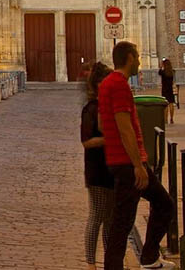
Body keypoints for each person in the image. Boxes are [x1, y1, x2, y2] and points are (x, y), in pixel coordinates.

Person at [100, 41, 176, 270]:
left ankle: (148, 258)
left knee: (128, 218)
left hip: (118, 160)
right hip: (127, 162)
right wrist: (137, 165)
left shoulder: (107, 84)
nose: (140, 62)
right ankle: (143, 259)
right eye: (138, 57)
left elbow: (103, 124)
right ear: (130, 58)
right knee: (128, 220)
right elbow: (125, 128)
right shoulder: (119, 86)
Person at [81, 62, 115, 270]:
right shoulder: (91, 109)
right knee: (97, 216)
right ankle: (91, 263)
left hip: (112, 168)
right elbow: (86, 141)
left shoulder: (106, 105)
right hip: (97, 169)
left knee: (109, 218)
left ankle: (110, 261)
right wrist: (111, 139)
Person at [160, 58, 177, 125]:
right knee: (171, 103)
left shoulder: (163, 72)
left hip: (164, 89)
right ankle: (171, 118)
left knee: (165, 105)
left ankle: (166, 119)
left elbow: (159, 72)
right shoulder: (172, 72)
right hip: (170, 89)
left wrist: (161, 67)